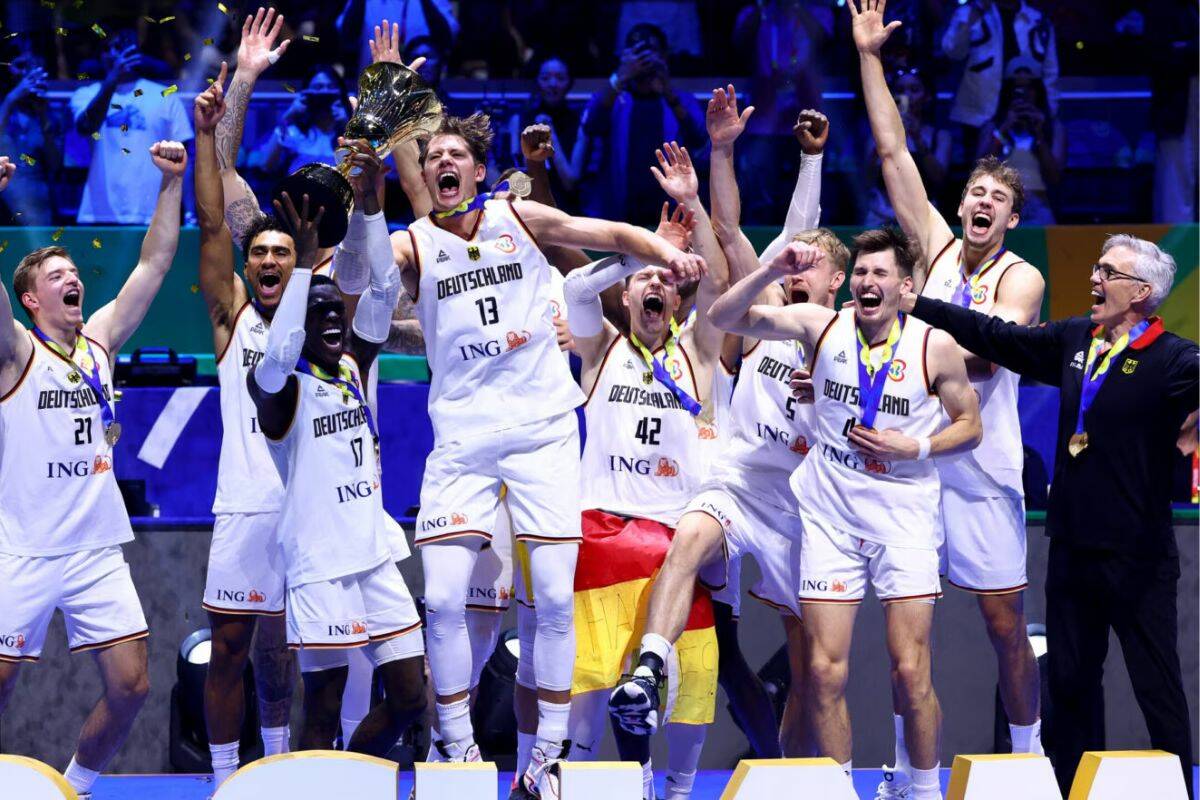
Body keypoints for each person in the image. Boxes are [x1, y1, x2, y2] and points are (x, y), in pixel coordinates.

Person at [377, 111, 703, 798]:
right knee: (439, 599)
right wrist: (386, 134)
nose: (442, 163)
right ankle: (459, 749)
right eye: (432, 154)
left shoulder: (517, 218)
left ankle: (547, 758)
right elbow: (377, 270)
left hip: (542, 433)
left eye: (453, 153)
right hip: (461, 441)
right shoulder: (415, 241)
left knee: (553, 598)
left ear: (474, 167)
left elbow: (607, 235)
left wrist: (662, 252)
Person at [899, 235, 1198, 798]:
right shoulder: (1073, 340)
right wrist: (920, 307)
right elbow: (995, 336)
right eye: (1096, 267)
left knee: (1156, 686)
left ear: (1141, 292)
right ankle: (1067, 790)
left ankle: (1181, 790)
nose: (1094, 278)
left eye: (1107, 272)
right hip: (1072, 551)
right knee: (1071, 684)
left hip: (1139, 559)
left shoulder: (1174, 358)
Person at [611, 88, 841, 762]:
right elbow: (729, 236)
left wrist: (827, 392)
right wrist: (719, 153)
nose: (796, 276)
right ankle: (650, 670)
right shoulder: (765, 312)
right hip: (735, 485)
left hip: (803, 510)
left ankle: (791, 769)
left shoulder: (848, 341)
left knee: (807, 669)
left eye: (813, 268)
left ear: (837, 283)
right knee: (690, 542)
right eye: (792, 269)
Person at [710, 230, 981, 800]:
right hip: (830, 519)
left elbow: (970, 425)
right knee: (823, 673)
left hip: (904, 520)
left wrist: (919, 448)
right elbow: (724, 314)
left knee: (910, 672)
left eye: (880, 274)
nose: (867, 283)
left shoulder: (934, 346)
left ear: (905, 287)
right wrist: (767, 270)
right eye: (860, 273)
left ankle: (924, 790)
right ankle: (837, 792)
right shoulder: (819, 325)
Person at [854, 4, 1048, 792]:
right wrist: (869, 56)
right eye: (972, 190)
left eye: (994, 200)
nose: (978, 203)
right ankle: (911, 769)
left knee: (1005, 625)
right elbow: (894, 148)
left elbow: (992, 351)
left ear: (1010, 217)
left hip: (983, 469)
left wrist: (914, 327)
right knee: (911, 631)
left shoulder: (1020, 278)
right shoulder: (932, 254)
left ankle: (1029, 758)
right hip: (911, 471)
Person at [0, 138, 187, 800]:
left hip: (96, 551)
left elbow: (156, 263)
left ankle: (73, 790)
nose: (71, 279)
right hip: (22, 547)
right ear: (29, 299)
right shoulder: (15, 352)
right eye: (54, 276)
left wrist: (171, 185)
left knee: (133, 686)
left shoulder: (100, 344)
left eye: (73, 272)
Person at [565, 140, 728, 800]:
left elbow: (721, 282)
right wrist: (643, 249)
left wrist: (693, 203)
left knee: (687, 691)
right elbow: (578, 284)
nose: (655, 284)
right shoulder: (600, 348)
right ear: (627, 293)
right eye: (643, 280)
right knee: (590, 691)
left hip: (674, 547)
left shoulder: (699, 348)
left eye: (666, 278)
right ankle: (574, 781)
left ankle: (675, 792)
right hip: (600, 539)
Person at [246, 188, 427, 757]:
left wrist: (372, 206)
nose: (332, 319)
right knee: (323, 706)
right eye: (317, 313)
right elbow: (277, 356)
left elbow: (383, 291)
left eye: (335, 311)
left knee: (410, 696)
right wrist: (301, 268)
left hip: (373, 553)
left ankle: (347, 774)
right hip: (320, 565)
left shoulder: (352, 365)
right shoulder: (279, 387)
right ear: (299, 325)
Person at [192, 62, 296, 788]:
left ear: (297, 265)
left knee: (292, 652)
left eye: (278, 252)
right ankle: (228, 778)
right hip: (244, 507)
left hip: (308, 511)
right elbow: (209, 220)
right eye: (256, 251)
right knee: (229, 648)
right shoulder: (231, 320)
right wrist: (208, 133)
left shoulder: (319, 316)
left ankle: (287, 767)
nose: (264, 259)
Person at [578, 23, 705, 225]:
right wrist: (620, 76)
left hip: (670, 211)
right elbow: (591, 126)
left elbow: (699, 139)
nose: (644, 59)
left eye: (652, 51)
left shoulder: (680, 100)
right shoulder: (614, 98)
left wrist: (668, 92)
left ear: (664, 56)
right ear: (625, 56)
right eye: (637, 52)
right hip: (618, 212)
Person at [69, 29, 194, 224]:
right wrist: (112, 79)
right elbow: (86, 126)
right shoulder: (85, 94)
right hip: (99, 213)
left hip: (153, 213)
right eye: (114, 48)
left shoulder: (166, 96)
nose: (120, 54)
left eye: (126, 47)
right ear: (102, 55)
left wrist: (189, 212)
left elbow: (185, 160)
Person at [940, 0, 1058, 159]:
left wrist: (1049, 112)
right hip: (977, 113)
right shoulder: (968, 13)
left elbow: (1050, 72)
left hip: (1026, 112)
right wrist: (973, 15)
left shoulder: (1038, 20)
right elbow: (953, 52)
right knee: (979, 173)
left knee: (1025, 170)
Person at [977, 57, 1064, 225]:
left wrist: (1039, 133)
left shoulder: (1053, 128)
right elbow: (979, 170)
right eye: (1017, 89)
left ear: (1038, 91)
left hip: (1040, 207)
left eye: (1029, 89)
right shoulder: (993, 127)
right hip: (999, 209)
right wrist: (1003, 129)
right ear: (1007, 91)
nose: (1023, 95)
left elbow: (1055, 176)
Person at [862, 65, 951, 228]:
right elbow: (866, 181)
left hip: (925, 217)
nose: (907, 95)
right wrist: (882, 140)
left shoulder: (940, 136)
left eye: (914, 89)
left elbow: (940, 180)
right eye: (901, 90)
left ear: (927, 97)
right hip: (880, 216)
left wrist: (917, 138)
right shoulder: (876, 133)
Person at [507, 57, 581, 209]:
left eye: (560, 78)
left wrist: (550, 133)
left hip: (566, 208)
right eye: (545, 78)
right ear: (537, 81)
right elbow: (515, 174)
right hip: (527, 207)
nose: (553, 84)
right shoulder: (520, 119)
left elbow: (570, 182)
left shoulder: (578, 121)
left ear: (570, 83)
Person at [0, 50, 61, 224]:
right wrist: (12, 98)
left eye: (35, 67)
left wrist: (42, 115)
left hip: (37, 205)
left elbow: (55, 164)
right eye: (21, 66)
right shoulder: (4, 107)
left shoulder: (50, 116)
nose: (28, 73)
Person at [260, 66, 350, 180]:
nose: (325, 92)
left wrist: (347, 126)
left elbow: (359, 172)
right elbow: (266, 166)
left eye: (330, 87)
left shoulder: (349, 130)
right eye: (318, 88)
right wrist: (287, 117)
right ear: (306, 93)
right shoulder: (295, 132)